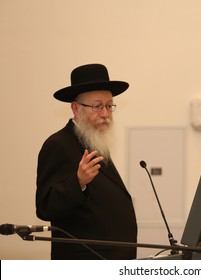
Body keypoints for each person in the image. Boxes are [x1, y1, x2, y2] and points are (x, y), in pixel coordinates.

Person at [36, 63, 137, 260]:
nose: (106, 114)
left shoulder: (95, 142)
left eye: (109, 106)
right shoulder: (58, 144)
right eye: (97, 106)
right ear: (75, 108)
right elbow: (45, 206)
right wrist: (78, 182)